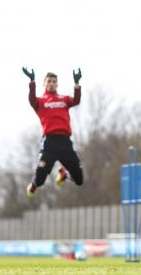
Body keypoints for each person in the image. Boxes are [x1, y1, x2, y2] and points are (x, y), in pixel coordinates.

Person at [22, 67, 84, 199]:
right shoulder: (41, 101)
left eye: (54, 81)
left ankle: (64, 174)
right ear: (44, 84)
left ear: (57, 84)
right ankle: (33, 185)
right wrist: (32, 81)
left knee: (79, 179)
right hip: (49, 143)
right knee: (40, 178)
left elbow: (76, 101)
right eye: (49, 81)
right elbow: (31, 99)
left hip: (65, 142)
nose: (51, 83)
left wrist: (77, 84)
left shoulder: (64, 99)